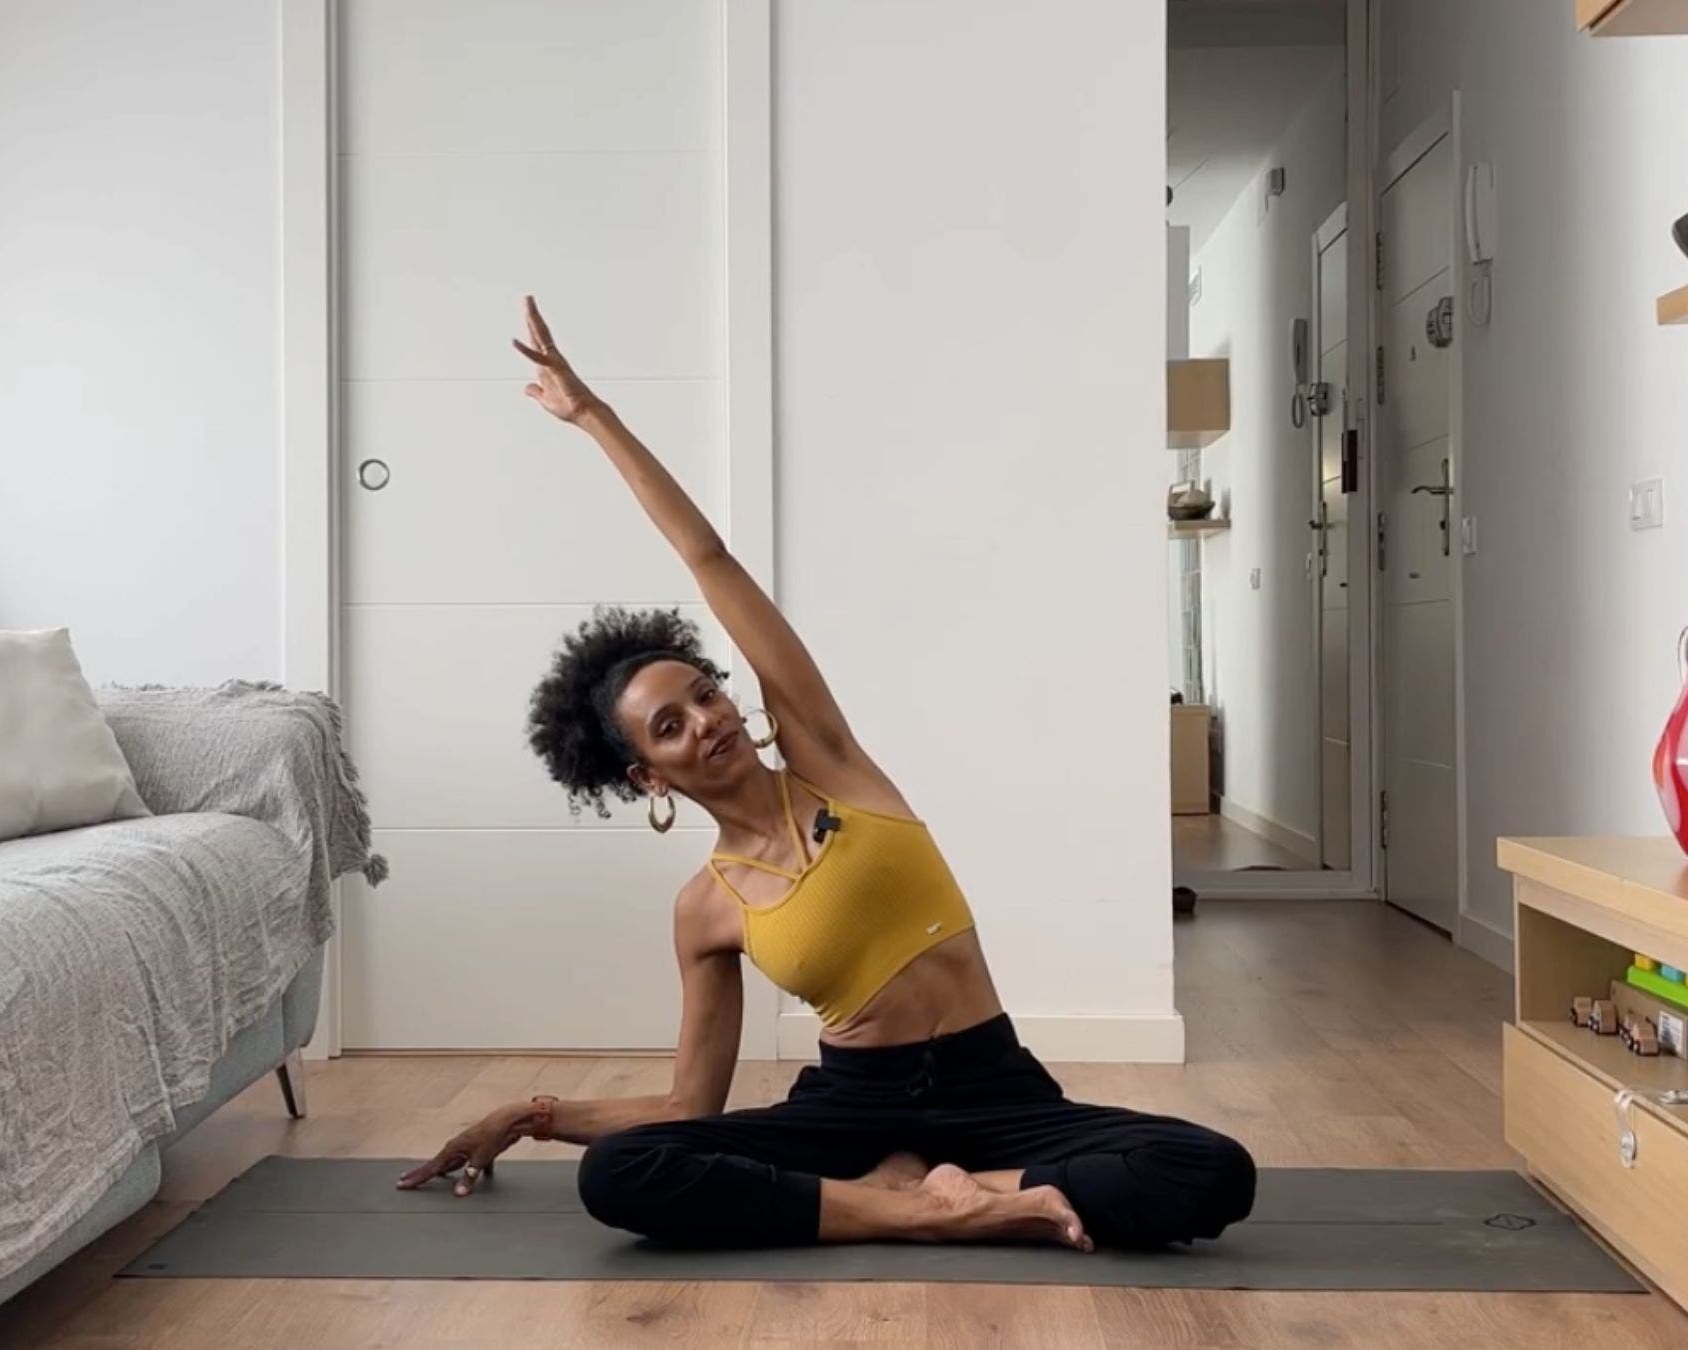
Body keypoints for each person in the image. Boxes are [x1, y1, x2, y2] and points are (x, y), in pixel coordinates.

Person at [396, 298, 1256, 1252]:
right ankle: (924, 1207)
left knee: (1211, 1169)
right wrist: (531, 1115)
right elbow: (690, 1102)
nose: (708, 721)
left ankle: (953, 1189)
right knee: (624, 1174)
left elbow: (707, 557)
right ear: (648, 777)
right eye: (671, 727)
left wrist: (594, 415)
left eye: (706, 693)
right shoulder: (706, 906)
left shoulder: (831, 763)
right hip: (850, 1106)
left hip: (993, 1087)